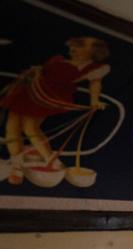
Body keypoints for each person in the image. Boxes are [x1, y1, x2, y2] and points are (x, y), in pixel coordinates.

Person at [2, 37, 110, 183]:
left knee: (30, 128)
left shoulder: (92, 68)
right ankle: (17, 166)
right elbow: (44, 71)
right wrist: (36, 71)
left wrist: (94, 101)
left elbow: (95, 84)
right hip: (28, 91)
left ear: (93, 52)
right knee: (12, 127)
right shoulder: (58, 59)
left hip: (46, 98)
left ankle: (51, 160)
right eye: (73, 46)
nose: (73, 49)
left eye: (79, 46)